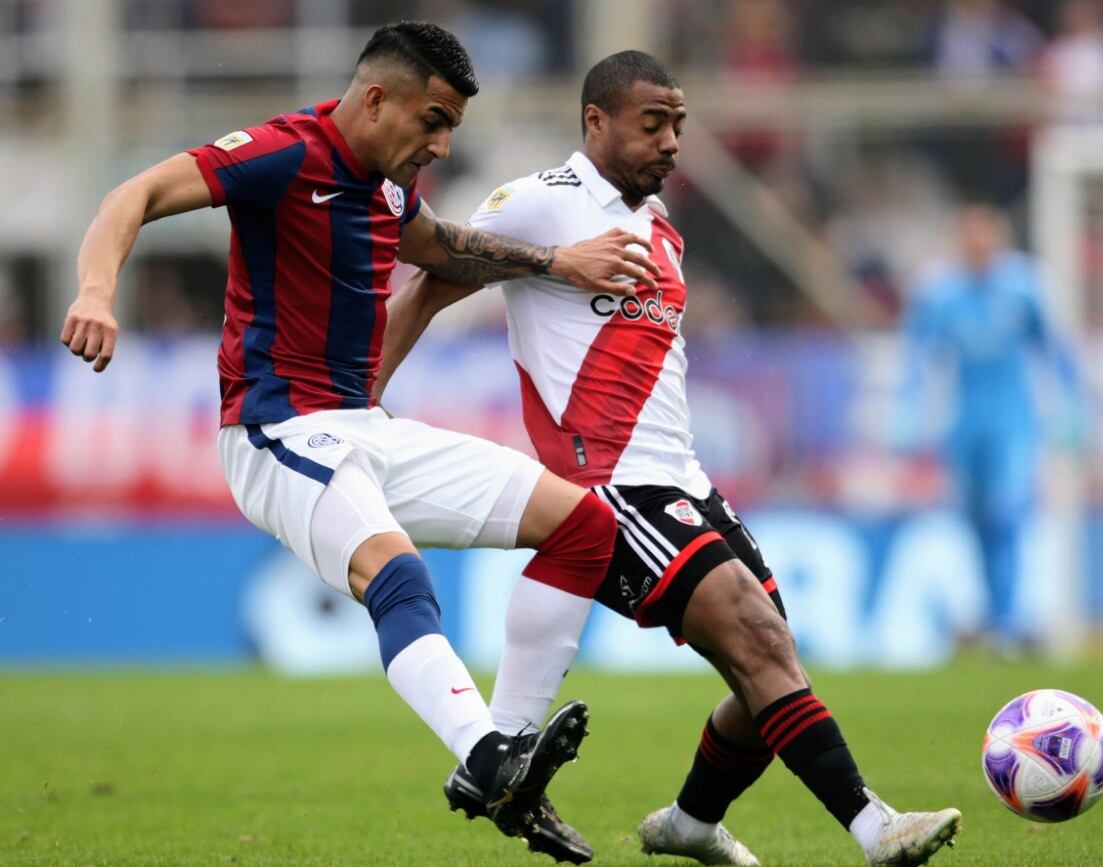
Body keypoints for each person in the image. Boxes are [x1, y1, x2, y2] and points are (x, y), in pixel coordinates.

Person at [58, 20, 665, 853]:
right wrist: (95, 291)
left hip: (363, 428)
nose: (443, 145)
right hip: (276, 430)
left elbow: (443, 245)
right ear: (376, 99)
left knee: (584, 525)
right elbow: (130, 197)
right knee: (399, 576)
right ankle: (490, 759)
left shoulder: (387, 184)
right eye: (434, 121)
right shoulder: (280, 154)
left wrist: (559, 264)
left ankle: (505, 751)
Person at [377, 50, 962, 867]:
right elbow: (427, 282)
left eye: (679, 125)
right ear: (597, 121)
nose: (672, 142)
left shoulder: (661, 234)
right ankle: (875, 827)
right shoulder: (541, 206)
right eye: (653, 123)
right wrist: (361, 399)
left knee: (769, 671)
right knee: (758, 643)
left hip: (685, 483)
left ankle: (690, 821)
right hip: (609, 489)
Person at [894, 203, 1083, 653]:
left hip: (1014, 421)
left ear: (998, 241)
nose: (978, 247)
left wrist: (1071, 405)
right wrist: (908, 409)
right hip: (965, 422)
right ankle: (994, 615)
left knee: (1007, 510)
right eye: (970, 239)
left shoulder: (1025, 288)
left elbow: (1056, 350)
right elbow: (917, 354)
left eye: (986, 238)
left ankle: (1007, 617)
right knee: (975, 519)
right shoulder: (940, 293)